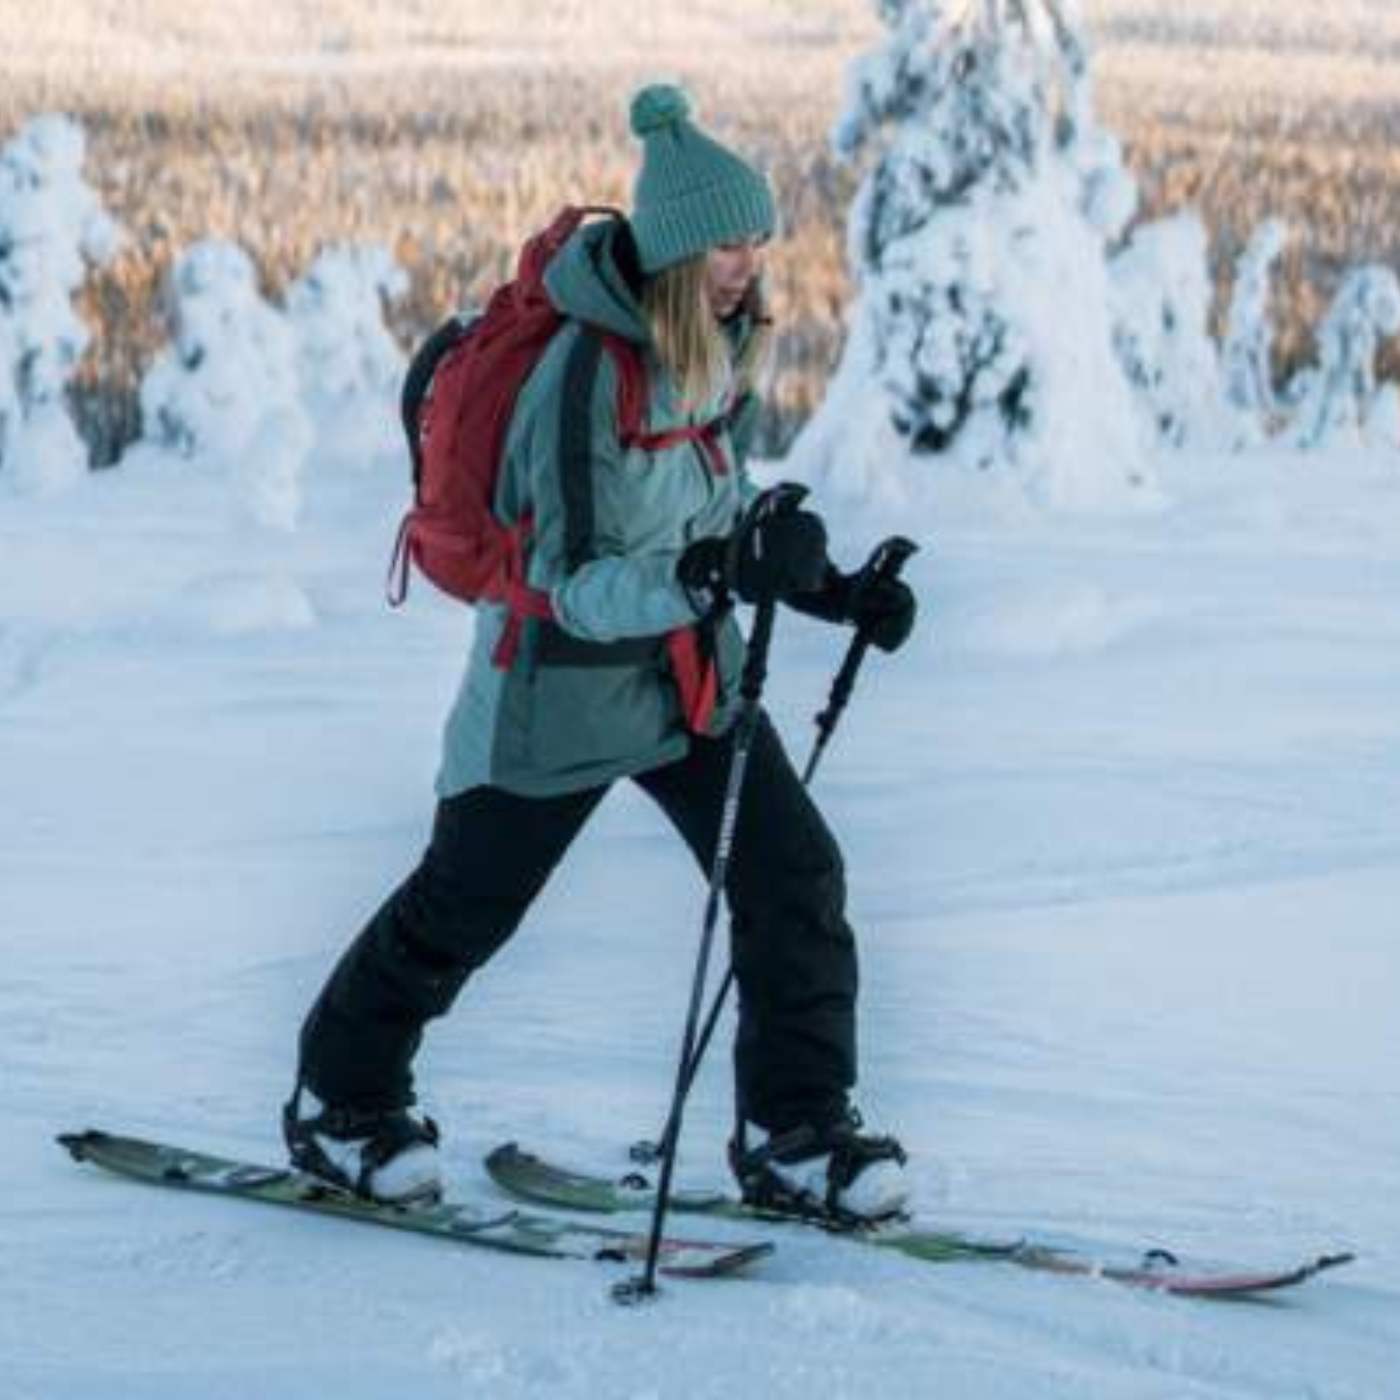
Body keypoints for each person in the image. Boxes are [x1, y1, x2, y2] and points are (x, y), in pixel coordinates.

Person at [283, 84, 918, 1225]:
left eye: (758, 238)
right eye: (729, 240)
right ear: (676, 245)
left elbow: (699, 517)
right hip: (558, 692)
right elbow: (570, 580)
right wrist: (709, 577)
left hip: (685, 680)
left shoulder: (708, 349)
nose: (749, 261)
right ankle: (342, 1098)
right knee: (462, 908)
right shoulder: (585, 371)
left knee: (794, 875)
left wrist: (826, 588)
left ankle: (796, 1133)